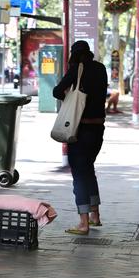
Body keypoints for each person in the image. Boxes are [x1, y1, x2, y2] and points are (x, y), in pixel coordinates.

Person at [53, 40, 108, 235]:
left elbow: (57, 91)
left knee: (79, 175)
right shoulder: (101, 69)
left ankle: (83, 222)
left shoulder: (77, 69)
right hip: (98, 129)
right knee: (88, 170)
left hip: (80, 130)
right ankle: (95, 216)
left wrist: (69, 93)